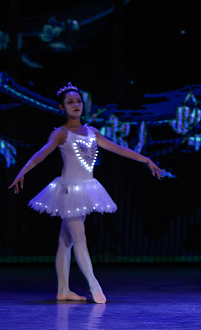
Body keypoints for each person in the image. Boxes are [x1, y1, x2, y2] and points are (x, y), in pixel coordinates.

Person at [8, 83, 165, 303]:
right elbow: (41, 154)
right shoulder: (60, 133)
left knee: (66, 242)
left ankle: (63, 290)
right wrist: (23, 171)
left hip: (87, 187)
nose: (76, 105)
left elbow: (118, 148)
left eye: (78, 101)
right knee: (79, 239)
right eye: (70, 102)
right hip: (68, 191)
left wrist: (145, 159)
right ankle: (94, 285)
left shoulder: (93, 132)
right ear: (61, 107)